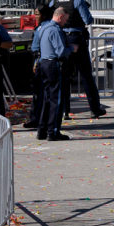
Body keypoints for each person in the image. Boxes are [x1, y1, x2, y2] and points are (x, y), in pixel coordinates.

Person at [52, 0, 106, 119]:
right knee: (86, 75)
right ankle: (95, 109)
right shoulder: (77, 0)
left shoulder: (55, 0)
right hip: (76, 39)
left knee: (64, 76)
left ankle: (64, 111)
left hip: (61, 40)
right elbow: (88, 20)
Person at [35, 8, 73, 141]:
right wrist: (72, 49)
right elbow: (61, 51)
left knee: (46, 98)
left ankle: (42, 130)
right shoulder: (55, 29)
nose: (65, 22)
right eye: (65, 19)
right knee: (56, 100)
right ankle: (53, 131)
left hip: (43, 63)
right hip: (53, 65)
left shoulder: (44, 28)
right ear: (60, 16)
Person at [25, 4, 53, 130]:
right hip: (39, 59)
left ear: (44, 14)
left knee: (41, 93)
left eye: (37, 14)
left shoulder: (46, 27)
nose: (35, 16)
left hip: (42, 61)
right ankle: (35, 118)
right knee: (38, 93)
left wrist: (37, 62)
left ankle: (39, 120)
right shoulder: (41, 26)